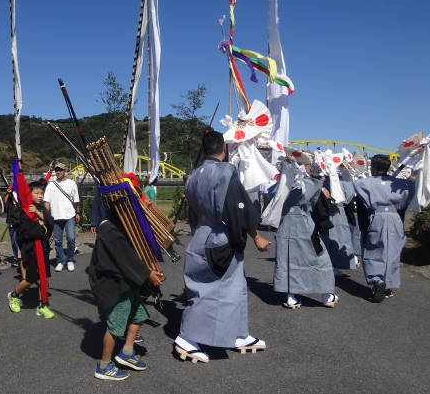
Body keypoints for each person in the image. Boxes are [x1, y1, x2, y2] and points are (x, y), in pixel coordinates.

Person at [174, 130, 270, 363]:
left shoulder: (193, 175)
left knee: (231, 287)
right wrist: (256, 236)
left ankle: (238, 333)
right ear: (224, 149)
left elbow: (194, 211)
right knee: (214, 290)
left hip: (201, 233)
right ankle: (186, 337)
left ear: (205, 149)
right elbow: (238, 208)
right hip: (220, 235)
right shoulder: (226, 172)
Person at [88, 217, 163, 381]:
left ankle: (127, 352)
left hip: (126, 284)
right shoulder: (110, 232)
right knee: (116, 325)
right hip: (115, 287)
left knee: (140, 315)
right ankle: (104, 366)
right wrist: (147, 274)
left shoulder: (119, 228)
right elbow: (126, 258)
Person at [273, 161, 338, 309]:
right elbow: (320, 208)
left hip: (284, 223)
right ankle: (326, 296)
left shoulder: (282, 184)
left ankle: (291, 297)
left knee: (288, 260)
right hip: (304, 223)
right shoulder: (313, 184)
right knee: (321, 259)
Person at [354, 155, 415, 302]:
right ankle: (388, 285)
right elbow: (403, 207)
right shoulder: (400, 184)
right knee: (392, 252)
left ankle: (376, 279)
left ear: (373, 167)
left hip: (375, 216)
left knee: (372, 250)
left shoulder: (363, 184)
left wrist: (363, 228)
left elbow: (362, 209)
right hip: (394, 217)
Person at [7, 178, 55, 319]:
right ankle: (14, 295)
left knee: (45, 278)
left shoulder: (41, 209)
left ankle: (42, 305)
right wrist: (40, 225)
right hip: (31, 248)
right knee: (31, 279)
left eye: (42, 193)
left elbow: (50, 223)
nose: (40, 196)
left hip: (43, 247)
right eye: (37, 193)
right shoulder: (21, 209)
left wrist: (39, 215)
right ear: (29, 194)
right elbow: (25, 230)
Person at [44, 162, 81, 272]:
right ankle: (60, 261)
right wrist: (46, 215)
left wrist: (78, 213)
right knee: (58, 241)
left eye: (60, 170)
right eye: (57, 170)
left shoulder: (72, 183)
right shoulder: (51, 185)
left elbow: (76, 200)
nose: (58, 172)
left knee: (71, 238)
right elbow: (47, 201)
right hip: (55, 217)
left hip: (69, 216)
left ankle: (69, 259)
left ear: (65, 171)